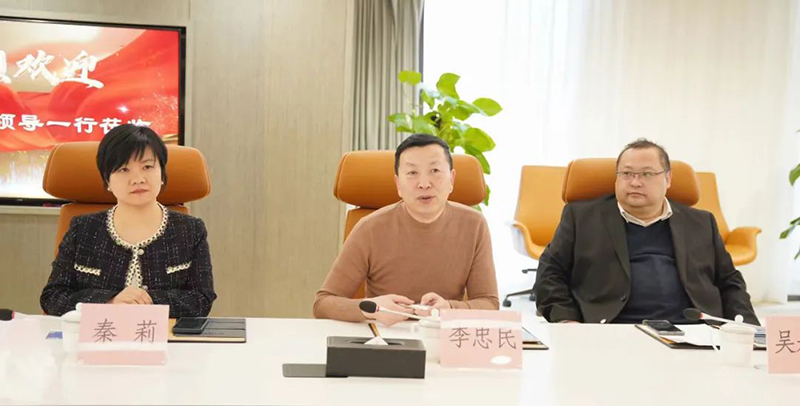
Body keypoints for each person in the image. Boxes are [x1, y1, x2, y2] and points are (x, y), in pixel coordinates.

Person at [535, 138, 758, 325]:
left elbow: (730, 281)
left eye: (647, 174)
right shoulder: (581, 218)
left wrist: (747, 327)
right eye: (626, 173)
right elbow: (550, 273)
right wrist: (567, 320)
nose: (635, 182)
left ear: (668, 179)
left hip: (691, 331)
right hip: (612, 330)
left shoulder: (700, 222)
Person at [313, 133, 499, 326]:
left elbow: (489, 304)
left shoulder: (474, 225)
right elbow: (323, 304)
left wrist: (449, 309)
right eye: (412, 173)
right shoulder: (370, 228)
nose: (424, 184)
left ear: (451, 179)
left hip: (442, 335)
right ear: (398, 184)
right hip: (386, 335)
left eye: (435, 170)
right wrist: (373, 309)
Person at [40, 124, 216, 318]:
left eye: (147, 167)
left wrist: (148, 301)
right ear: (107, 180)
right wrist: (109, 301)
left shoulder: (190, 230)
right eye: (124, 169)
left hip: (165, 335)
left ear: (162, 174)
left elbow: (201, 299)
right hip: (99, 334)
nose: (138, 179)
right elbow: (53, 297)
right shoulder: (83, 229)